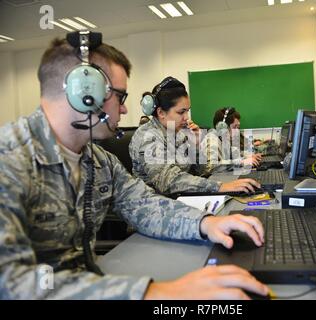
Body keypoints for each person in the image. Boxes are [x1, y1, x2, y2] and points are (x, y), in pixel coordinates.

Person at [0, 34, 269, 300]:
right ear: (85, 93)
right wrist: (155, 292)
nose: (126, 109)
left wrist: (207, 223)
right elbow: (11, 282)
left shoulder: (97, 159)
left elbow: (144, 204)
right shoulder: (9, 161)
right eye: (120, 96)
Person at [130, 77, 261, 195]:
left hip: (181, 198)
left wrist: (196, 146)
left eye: (187, 111)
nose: (187, 117)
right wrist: (220, 187)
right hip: (155, 206)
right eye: (181, 112)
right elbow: (168, 181)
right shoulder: (147, 136)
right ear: (161, 112)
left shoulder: (179, 133)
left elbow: (203, 171)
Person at [200, 107, 262, 175]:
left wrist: (248, 156)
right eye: (234, 127)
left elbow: (233, 154)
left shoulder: (224, 139)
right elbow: (211, 167)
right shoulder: (212, 140)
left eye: (238, 128)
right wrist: (242, 162)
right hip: (211, 181)